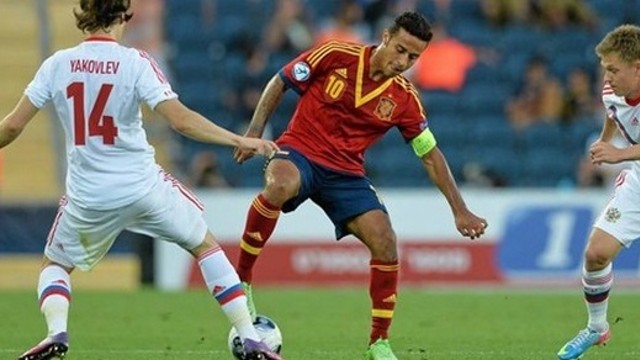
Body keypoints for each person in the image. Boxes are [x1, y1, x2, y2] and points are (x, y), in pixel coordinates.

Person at [0, 1, 283, 360]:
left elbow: (10, 127)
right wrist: (239, 139)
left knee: (55, 265)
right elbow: (179, 120)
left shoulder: (57, 64)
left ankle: (56, 332)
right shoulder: (135, 62)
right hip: (143, 188)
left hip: (89, 197)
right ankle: (249, 336)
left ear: (84, 16)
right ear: (121, 17)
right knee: (205, 246)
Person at [233, 11, 488, 360]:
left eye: (413, 57)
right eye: (400, 50)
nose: (403, 62)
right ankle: (242, 281)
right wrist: (253, 133)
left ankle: (378, 343)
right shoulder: (335, 54)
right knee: (279, 184)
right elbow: (280, 81)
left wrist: (460, 211)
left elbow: (430, 155)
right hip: (300, 151)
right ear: (385, 36)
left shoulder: (405, 99)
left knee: (385, 240)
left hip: (346, 174)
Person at [557, 24, 640, 360]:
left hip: (631, 160)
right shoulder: (611, 89)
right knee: (595, 253)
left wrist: (619, 154)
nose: (607, 76)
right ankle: (596, 327)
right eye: (605, 68)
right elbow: (612, 110)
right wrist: (606, 140)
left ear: (637, 67)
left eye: (613, 69)